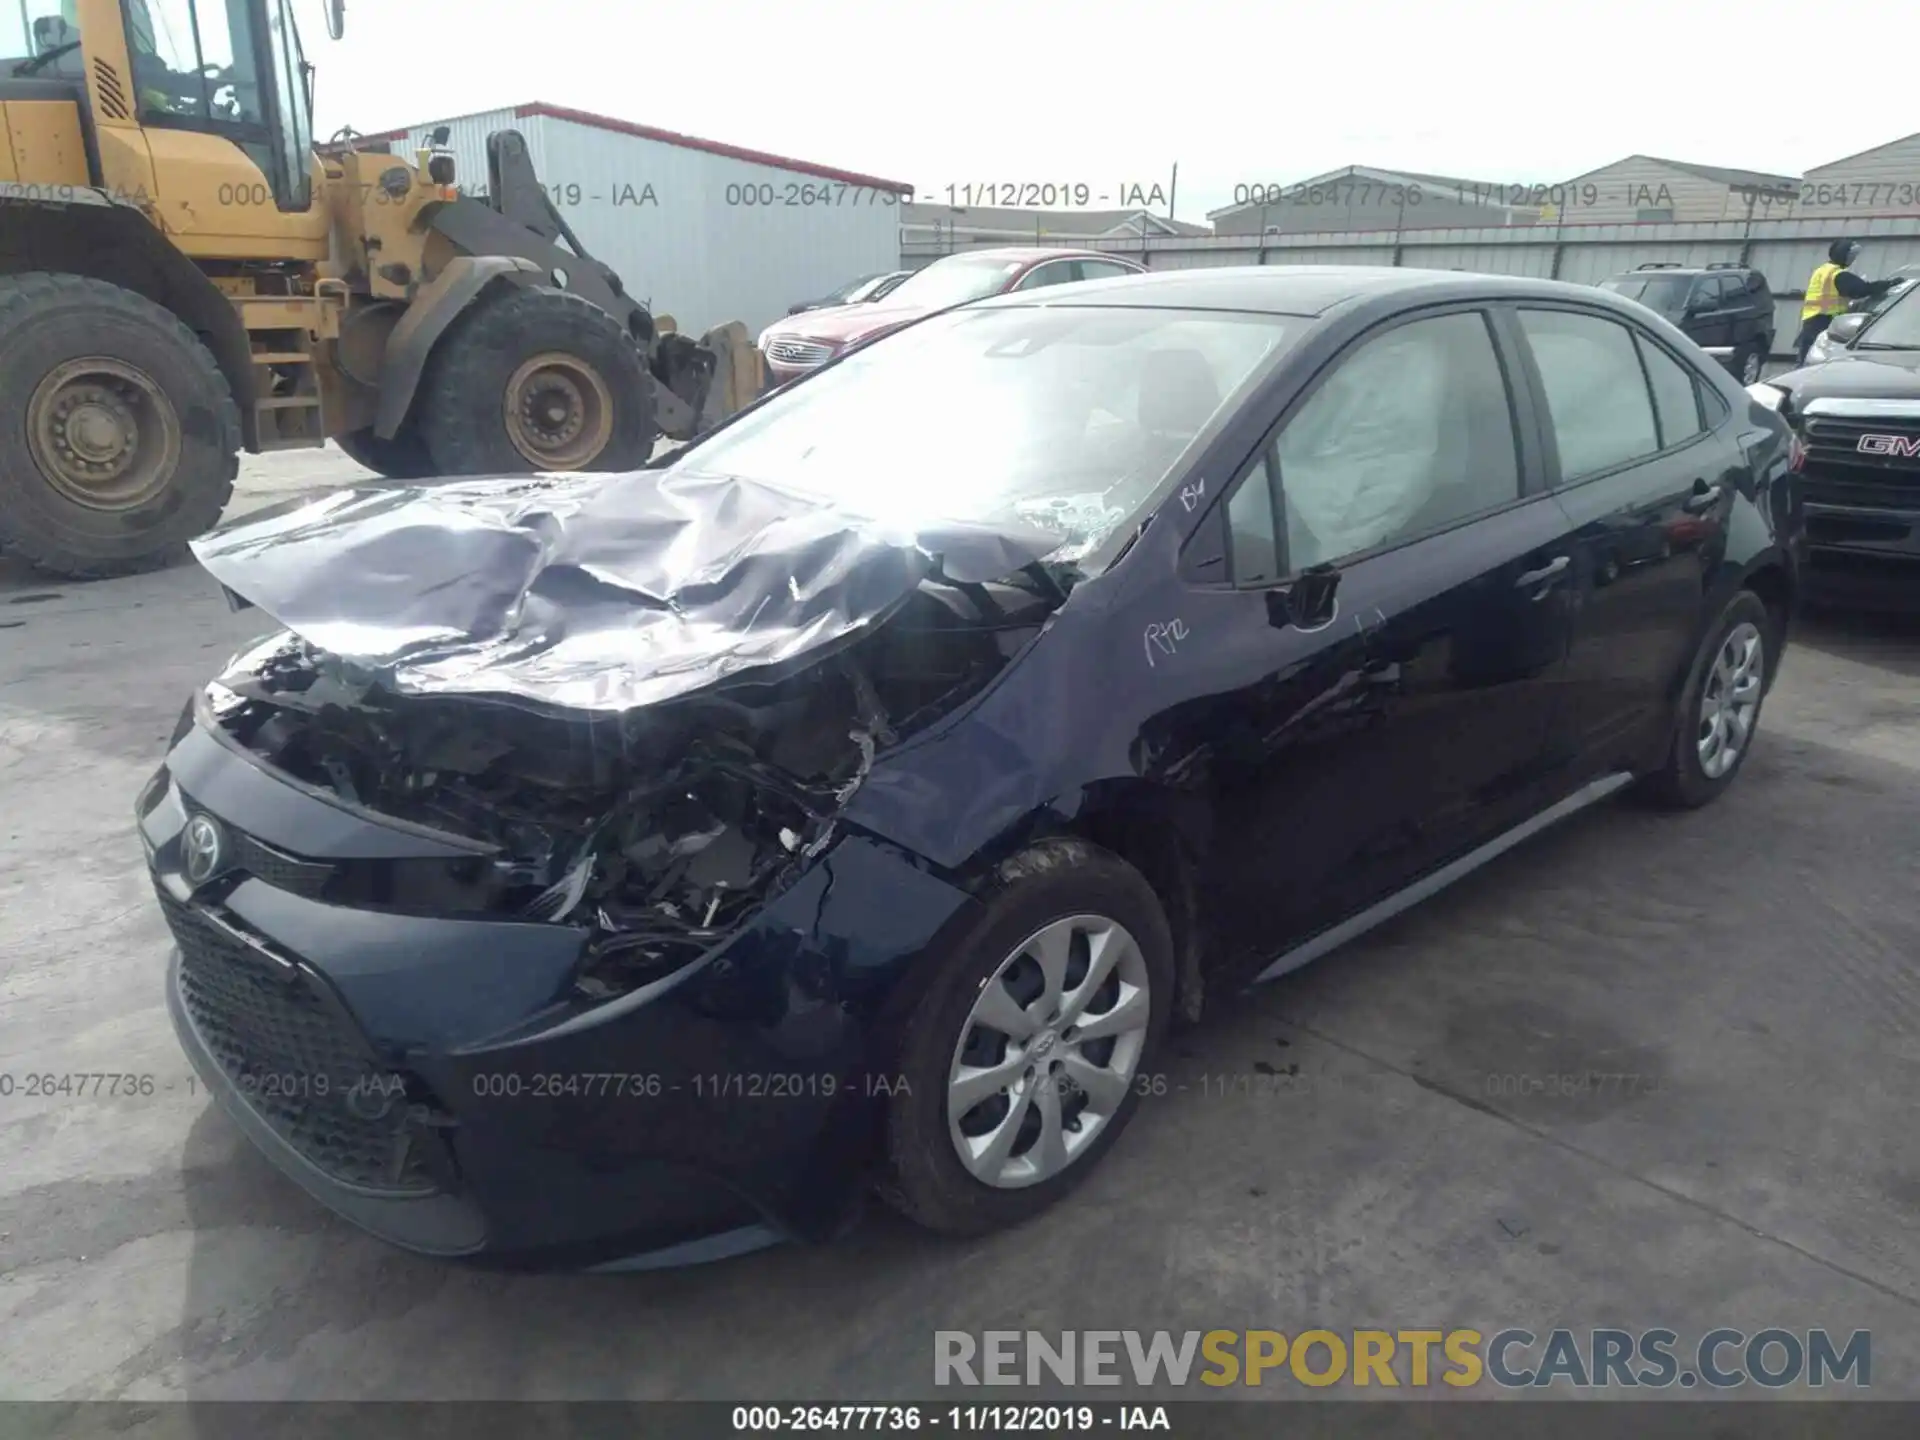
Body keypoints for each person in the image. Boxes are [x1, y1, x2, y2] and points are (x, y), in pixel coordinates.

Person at [1796, 239, 1904, 364]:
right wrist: (1889, 284)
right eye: (1852, 256)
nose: (1853, 259)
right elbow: (1861, 290)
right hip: (1824, 322)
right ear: (1845, 256)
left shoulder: (1822, 270)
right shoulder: (1837, 274)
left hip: (1812, 320)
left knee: (1806, 361)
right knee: (1821, 362)